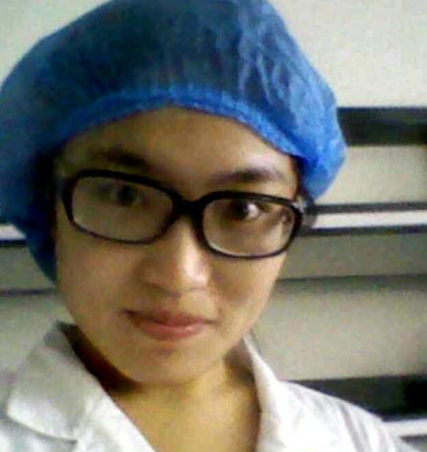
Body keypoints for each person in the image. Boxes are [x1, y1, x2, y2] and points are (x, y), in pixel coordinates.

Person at [0, 0, 418, 451]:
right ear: (49, 207)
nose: (179, 276)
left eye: (242, 209)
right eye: (125, 195)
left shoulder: (359, 441)